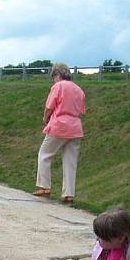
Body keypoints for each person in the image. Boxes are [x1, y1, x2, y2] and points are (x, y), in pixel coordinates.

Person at [33, 62, 86, 204]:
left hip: (59, 125)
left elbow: (49, 106)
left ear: (57, 74)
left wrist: (45, 118)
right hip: (75, 127)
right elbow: (81, 110)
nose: (53, 80)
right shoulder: (79, 89)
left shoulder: (58, 86)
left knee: (44, 154)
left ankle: (45, 187)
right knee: (70, 161)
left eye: (53, 77)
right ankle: (68, 194)